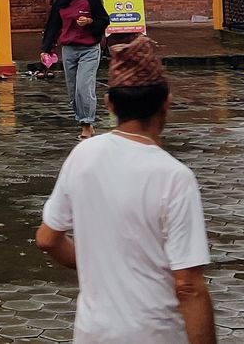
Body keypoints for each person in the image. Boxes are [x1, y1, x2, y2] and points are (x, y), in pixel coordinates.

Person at [37, 37, 215, 344]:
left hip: (93, 332)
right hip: (154, 334)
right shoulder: (174, 177)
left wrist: (101, 262)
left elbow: (47, 238)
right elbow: (188, 285)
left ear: (110, 104)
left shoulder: (83, 155)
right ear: (166, 104)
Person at [41, 0, 111, 141]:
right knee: (73, 91)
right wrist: (46, 48)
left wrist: (89, 22)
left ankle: (87, 123)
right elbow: (53, 26)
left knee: (84, 87)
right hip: (69, 50)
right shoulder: (60, 1)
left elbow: (104, 20)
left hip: (89, 48)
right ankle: (83, 122)